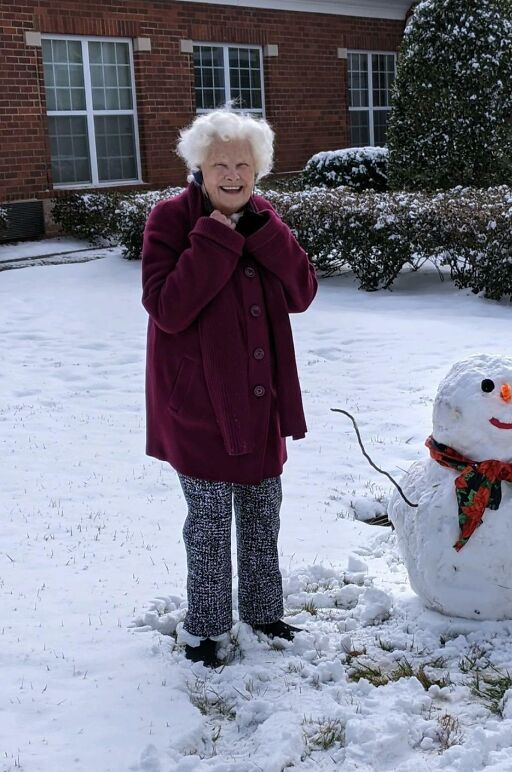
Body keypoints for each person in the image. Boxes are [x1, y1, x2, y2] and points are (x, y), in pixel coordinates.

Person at [141, 108, 317, 667]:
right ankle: (206, 629)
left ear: (259, 168)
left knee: (264, 510)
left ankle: (263, 611)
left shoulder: (265, 217)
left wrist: (265, 235)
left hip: (260, 400)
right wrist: (214, 240)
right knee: (212, 520)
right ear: (200, 166)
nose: (233, 174)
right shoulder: (170, 219)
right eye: (220, 164)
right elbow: (167, 309)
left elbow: (302, 291)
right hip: (199, 405)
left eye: (244, 163)